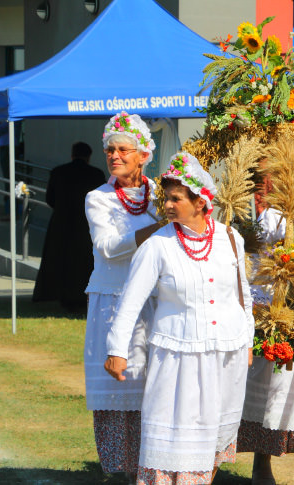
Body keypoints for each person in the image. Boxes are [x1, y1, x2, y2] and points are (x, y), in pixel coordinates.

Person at [105, 152, 255, 484]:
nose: (168, 205)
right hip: (178, 358)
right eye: (166, 198)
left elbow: (243, 295)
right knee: (177, 438)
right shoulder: (158, 245)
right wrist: (116, 350)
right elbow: (130, 301)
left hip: (227, 354)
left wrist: (248, 342)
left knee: (216, 435)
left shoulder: (231, 239)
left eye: (176, 198)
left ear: (201, 202)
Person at [84, 112, 161, 479]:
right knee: (119, 384)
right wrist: (160, 230)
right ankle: (119, 466)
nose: (114, 156)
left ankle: (150, 464)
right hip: (113, 300)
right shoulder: (97, 198)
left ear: (143, 154)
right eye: (110, 150)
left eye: (123, 150)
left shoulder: (161, 194)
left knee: (151, 383)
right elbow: (109, 248)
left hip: (154, 301)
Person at [237, 173, 294, 484]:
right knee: (271, 392)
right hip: (277, 311)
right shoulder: (273, 217)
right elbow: (260, 264)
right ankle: (262, 465)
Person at [33, 141, 105, 312]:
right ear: (89, 157)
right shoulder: (96, 174)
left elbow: (50, 199)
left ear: (72, 154)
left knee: (61, 259)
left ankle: (61, 295)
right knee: (84, 261)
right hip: (86, 224)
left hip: (61, 222)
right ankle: (83, 296)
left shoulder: (58, 172)